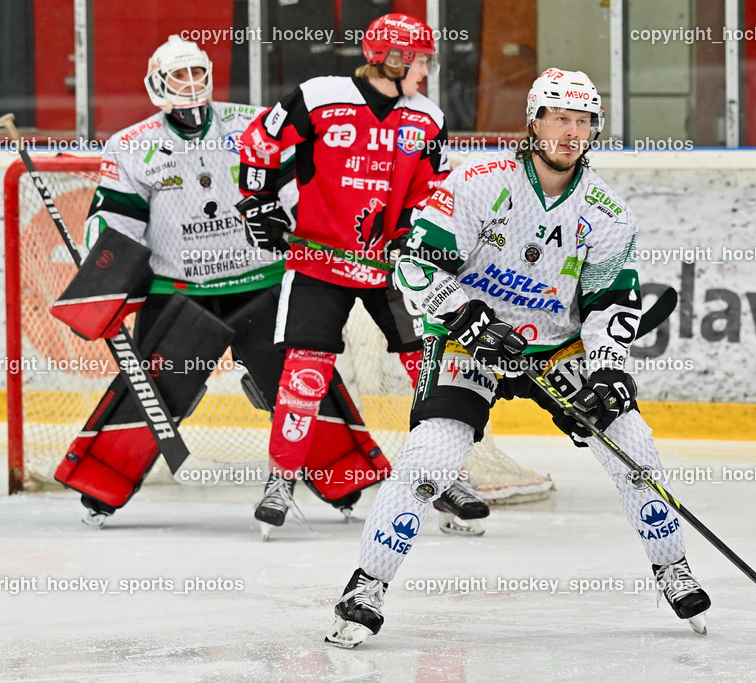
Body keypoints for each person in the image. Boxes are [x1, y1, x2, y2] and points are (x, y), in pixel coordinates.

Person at [324, 68, 711, 648]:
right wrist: (461, 313)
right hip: (468, 342)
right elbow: (416, 266)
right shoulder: (477, 183)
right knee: (429, 460)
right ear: (533, 122)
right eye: (559, 118)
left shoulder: (607, 214)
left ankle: (671, 567)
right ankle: (367, 586)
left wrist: (607, 365)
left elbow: (610, 302)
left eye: (582, 122)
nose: (570, 132)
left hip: (557, 348)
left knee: (635, 449)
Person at [50, 35, 391, 532]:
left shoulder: (252, 123)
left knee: (302, 382)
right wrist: (107, 279)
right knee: (156, 390)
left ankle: (346, 479)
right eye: (178, 76)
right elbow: (115, 222)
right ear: (156, 84)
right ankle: (99, 487)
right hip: (179, 291)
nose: (190, 85)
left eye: (196, 73)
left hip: (264, 282)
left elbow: (301, 186)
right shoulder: (131, 145)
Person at [237, 13, 491, 535]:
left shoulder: (427, 119)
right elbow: (260, 142)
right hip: (319, 263)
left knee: (431, 366)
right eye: (420, 60)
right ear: (392, 58)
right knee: (306, 370)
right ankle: (282, 477)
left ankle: (442, 476)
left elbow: (435, 190)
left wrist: (418, 236)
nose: (427, 70)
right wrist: (257, 204)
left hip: (394, 269)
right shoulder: (318, 96)